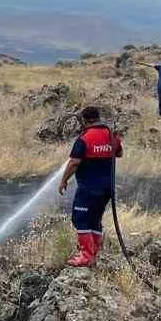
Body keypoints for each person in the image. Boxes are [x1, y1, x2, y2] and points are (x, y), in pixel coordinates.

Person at [57, 106, 122, 267]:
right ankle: (94, 252)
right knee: (95, 220)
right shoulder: (110, 134)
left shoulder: (84, 138)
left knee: (80, 219)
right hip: (107, 189)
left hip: (89, 189)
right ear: (98, 117)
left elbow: (74, 162)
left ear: (84, 120)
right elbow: (119, 153)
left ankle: (86, 256)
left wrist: (63, 180)